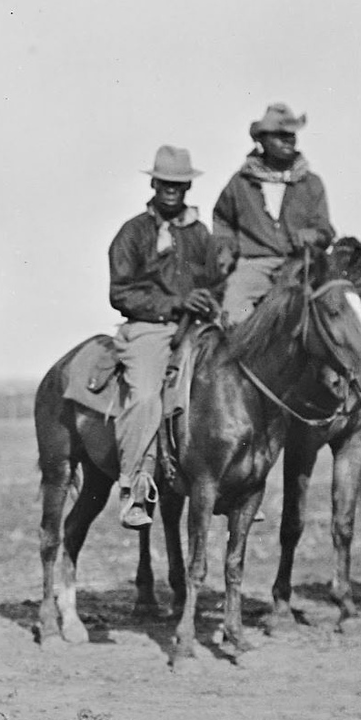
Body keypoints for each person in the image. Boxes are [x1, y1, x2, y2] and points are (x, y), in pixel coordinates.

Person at [108, 146, 232, 528]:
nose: (172, 190)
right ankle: (133, 488)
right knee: (146, 395)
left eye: (179, 184)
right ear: (153, 182)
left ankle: (237, 483)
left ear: (188, 186)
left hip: (197, 327)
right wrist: (176, 301)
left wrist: (209, 297)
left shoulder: (199, 233)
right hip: (149, 327)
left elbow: (215, 281)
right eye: (166, 182)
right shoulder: (133, 232)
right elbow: (121, 292)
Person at [213, 103, 336, 324]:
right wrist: (226, 247)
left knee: (338, 309)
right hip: (255, 264)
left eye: (292, 135)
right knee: (233, 313)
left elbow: (325, 229)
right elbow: (222, 218)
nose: (288, 140)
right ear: (262, 140)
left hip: (300, 264)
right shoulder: (241, 183)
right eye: (280, 136)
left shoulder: (310, 183)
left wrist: (314, 235)